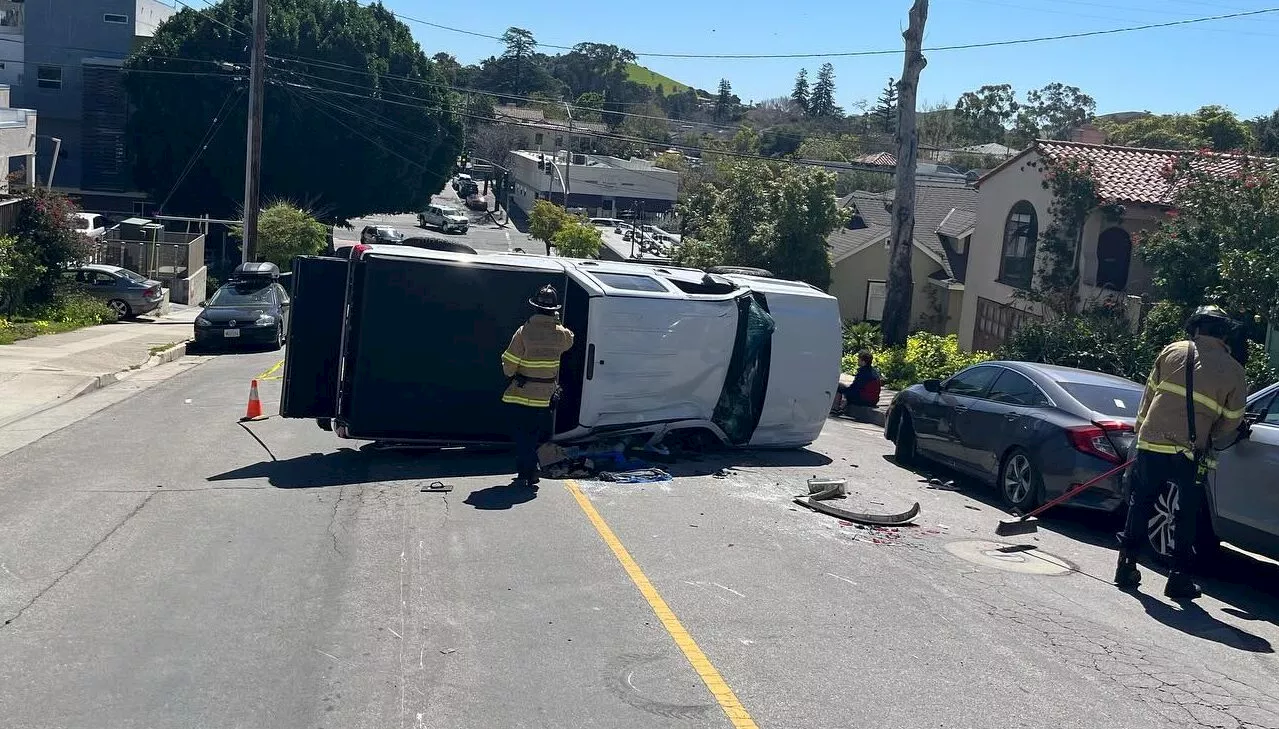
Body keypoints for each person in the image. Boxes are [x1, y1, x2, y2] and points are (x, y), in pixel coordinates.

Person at [1115, 305, 1247, 600]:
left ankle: (1126, 566)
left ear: (1196, 328)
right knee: (1185, 515)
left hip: (1151, 442)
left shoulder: (1172, 351)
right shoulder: (1234, 370)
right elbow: (1234, 418)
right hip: (1191, 451)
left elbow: (1148, 396)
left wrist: (1140, 434)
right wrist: (1209, 433)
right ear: (1224, 334)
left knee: (1141, 504)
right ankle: (1178, 579)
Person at [500, 285, 575, 488]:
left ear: (535, 307)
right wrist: (557, 323)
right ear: (554, 310)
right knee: (533, 435)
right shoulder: (561, 334)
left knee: (523, 435)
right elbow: (570, 341)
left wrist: (510, 372)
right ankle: (528, 470)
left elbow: (509, 364)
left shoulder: (524, 331)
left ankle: (528, 471)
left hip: (521, 392)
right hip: (546, 396)